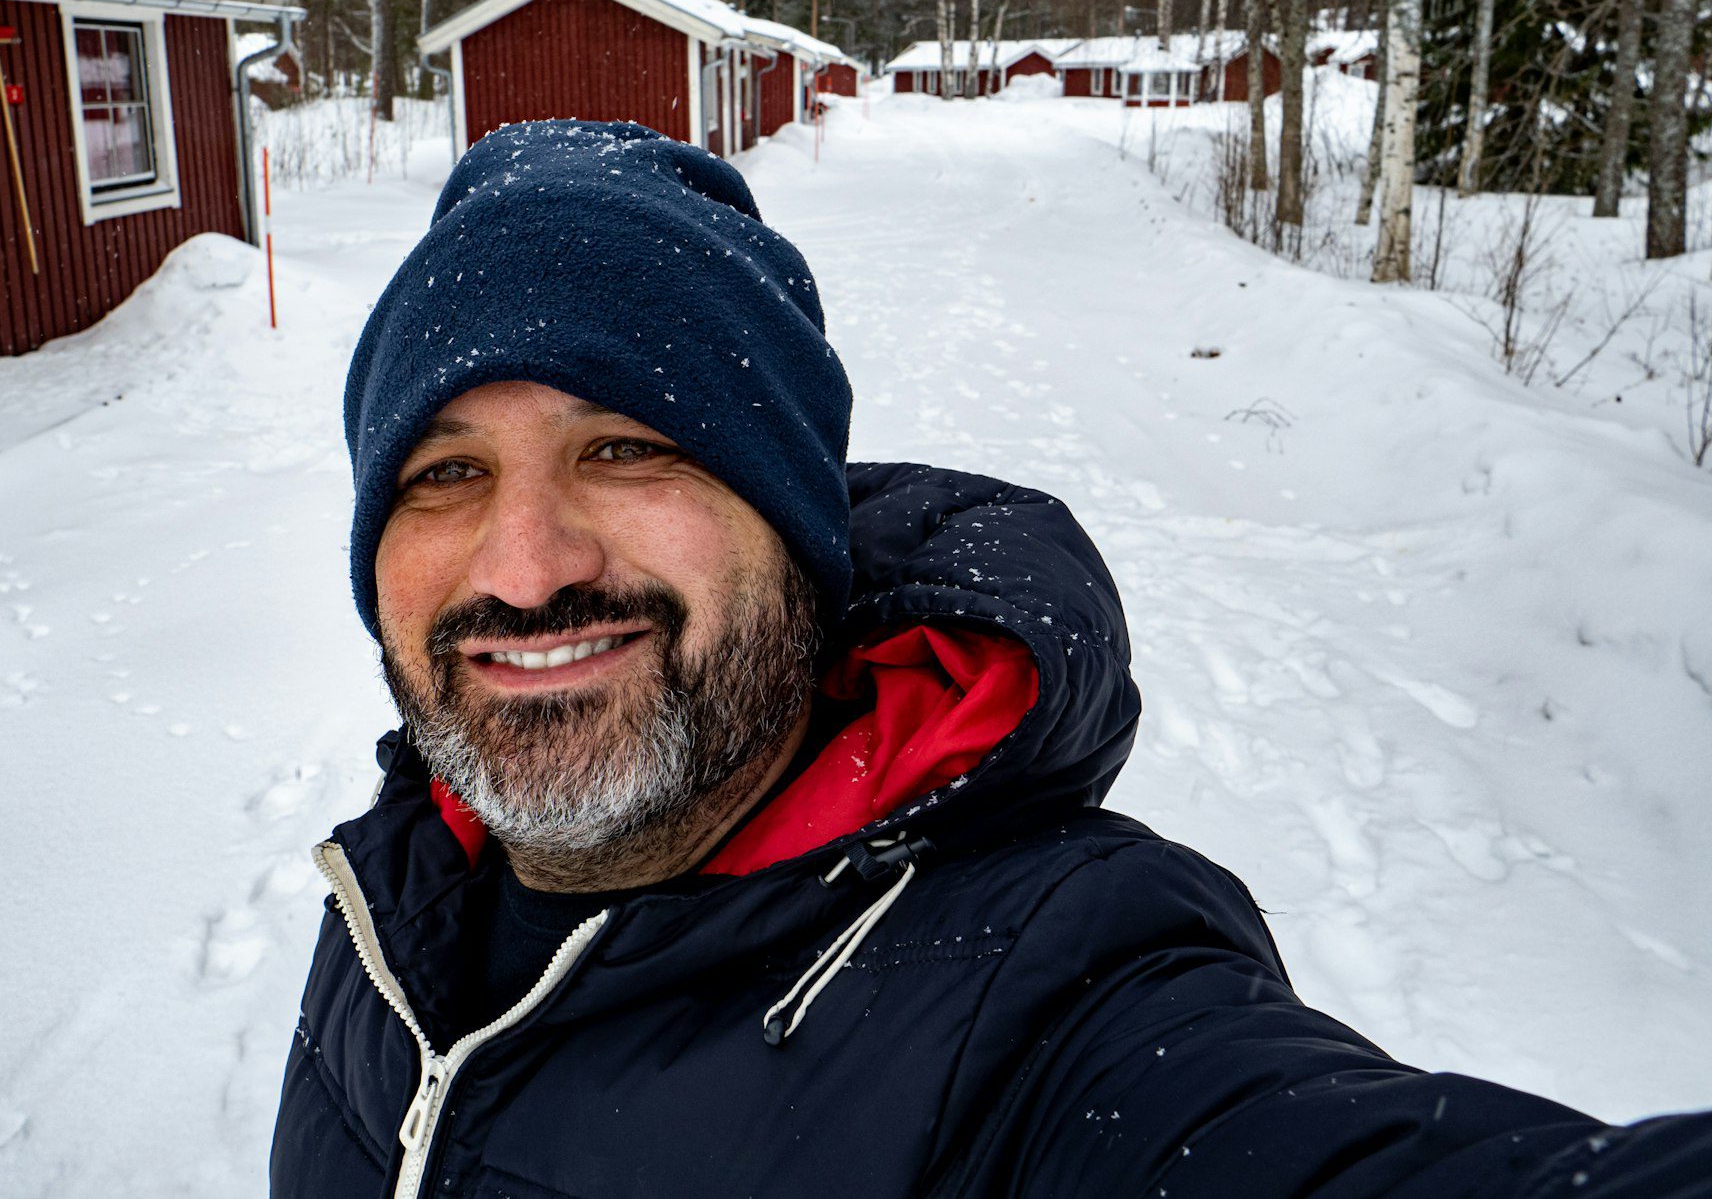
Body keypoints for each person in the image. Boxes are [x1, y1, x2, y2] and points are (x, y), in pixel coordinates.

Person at [272, 120, 1711, 1198]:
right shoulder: (400, 898)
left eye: (629, 447)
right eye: (443, 473)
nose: (525, 567)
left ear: (791, 524)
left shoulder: (1041, 1003)